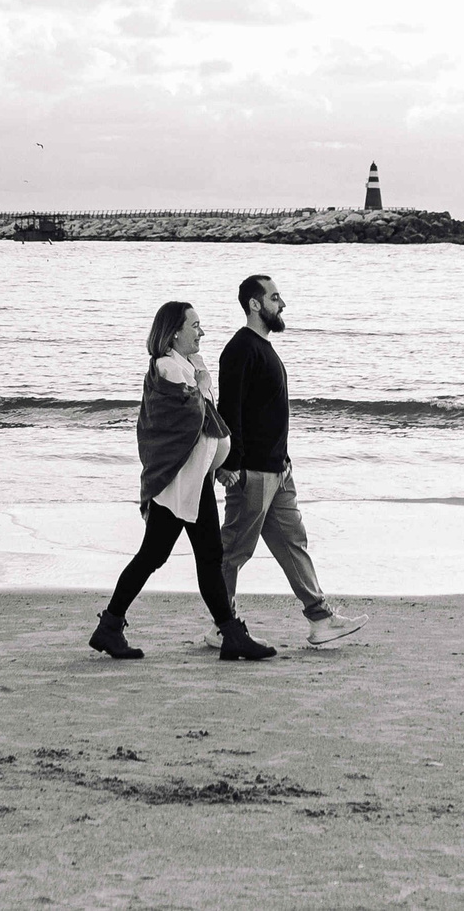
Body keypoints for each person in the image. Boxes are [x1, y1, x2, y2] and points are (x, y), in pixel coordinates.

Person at [90, 300, 278, 662]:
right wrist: (205, 383)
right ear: (174, 331)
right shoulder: (166, 368)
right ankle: (111, 626)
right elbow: (193, 417)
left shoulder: (184, 366)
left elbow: (205, 419)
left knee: (202, 557)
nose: (201, 332)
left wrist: (217, 461)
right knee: (157, 556)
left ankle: (228, 633)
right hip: (177, 484)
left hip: (193, 481)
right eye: (195, 326)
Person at [213, 273, 367, 648]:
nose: (282, 304)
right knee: (233, 551)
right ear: (255, 303)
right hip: (252, 473)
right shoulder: (240, 349)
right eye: (275, 297)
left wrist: (283, 462)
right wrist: (229, 465)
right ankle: (223, 626)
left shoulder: (264, 347)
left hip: (278, 470)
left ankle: (320, 619)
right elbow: (228, 411)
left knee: (293, 543)